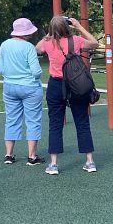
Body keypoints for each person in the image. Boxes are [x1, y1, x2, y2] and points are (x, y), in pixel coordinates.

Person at [36, 16, 100, 175]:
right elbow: (95, 43)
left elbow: (37, 49)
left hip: (56, 85)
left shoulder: (48, 43)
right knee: (82, 122)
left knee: (55, 124)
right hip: (76, 85)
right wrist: (79, 26)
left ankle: (54, 164)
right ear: (68, 27)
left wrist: (48, 35)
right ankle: (90, 161)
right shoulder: (76, 40)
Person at [0, 18, 44, 166]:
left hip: (10, 86)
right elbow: (36, 71)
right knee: (33, 121)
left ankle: (9, 155)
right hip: (30, 87)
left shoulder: (4, 45)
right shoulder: (29, 47)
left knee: (11, 120)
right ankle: (31, 156)